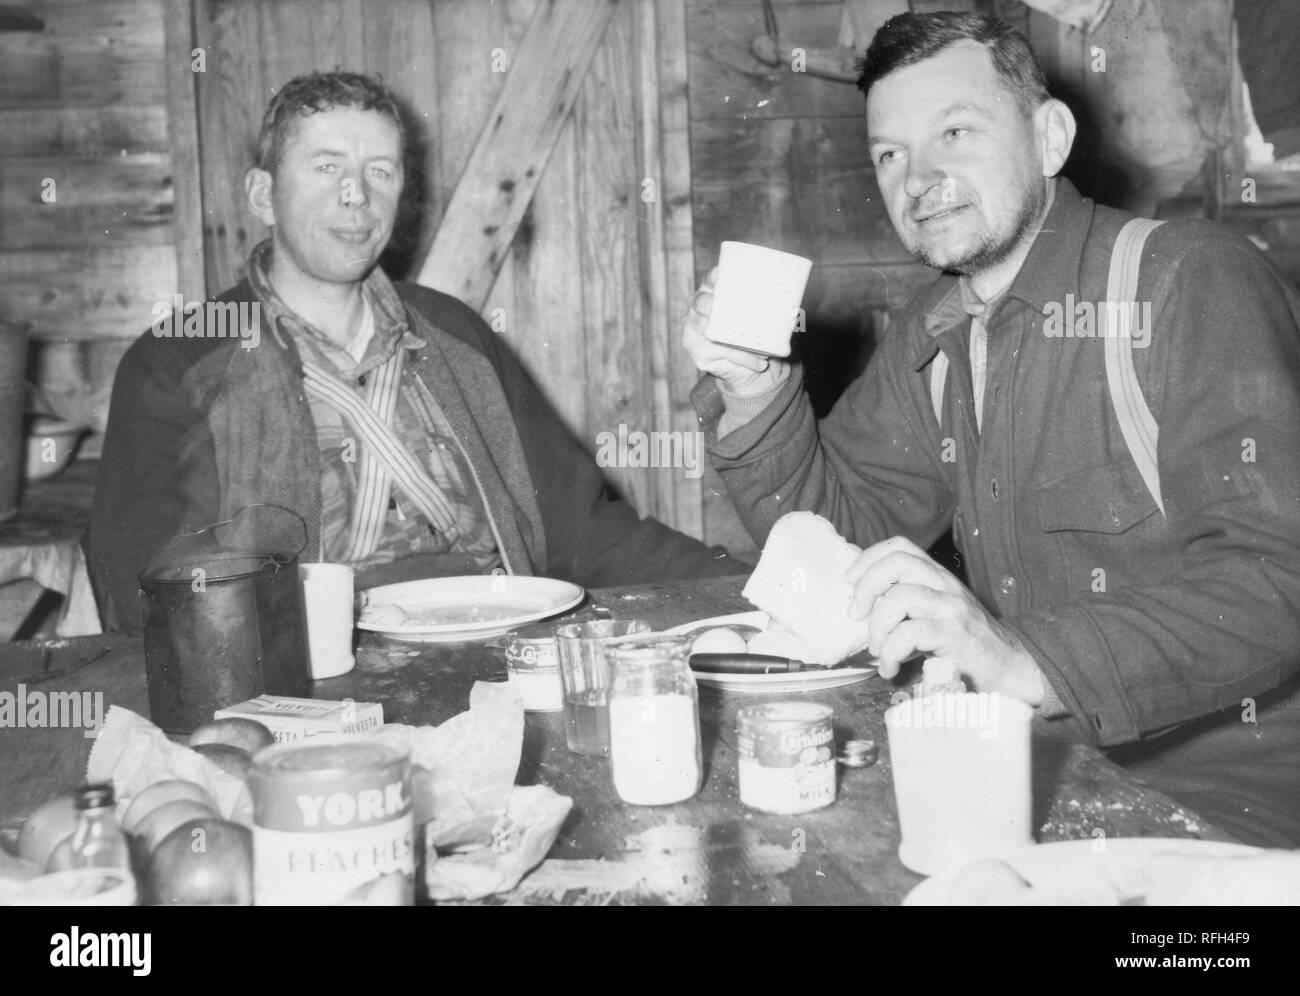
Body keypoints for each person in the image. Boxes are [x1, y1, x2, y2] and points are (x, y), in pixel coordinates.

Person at [684, 11, 1300, 846]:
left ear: (1049, 138)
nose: (918, 177)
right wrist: (755, 392)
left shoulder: (1186, 279)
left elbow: (1277, 587)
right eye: (890, 154)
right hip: (1030, 780)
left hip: (1230, 809)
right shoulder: (936, 331)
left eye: (957, 131)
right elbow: (834, 545)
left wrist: (1022, 660)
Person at [89, 70, 745, 635]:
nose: (357, 196)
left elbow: (583, 532)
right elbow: (144, 597)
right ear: (263, 195)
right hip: (310, 677)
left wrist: (747, 589)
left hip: (499, 645)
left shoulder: (452, 333)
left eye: (380, 171)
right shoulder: (179, 360)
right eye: (327, 168)